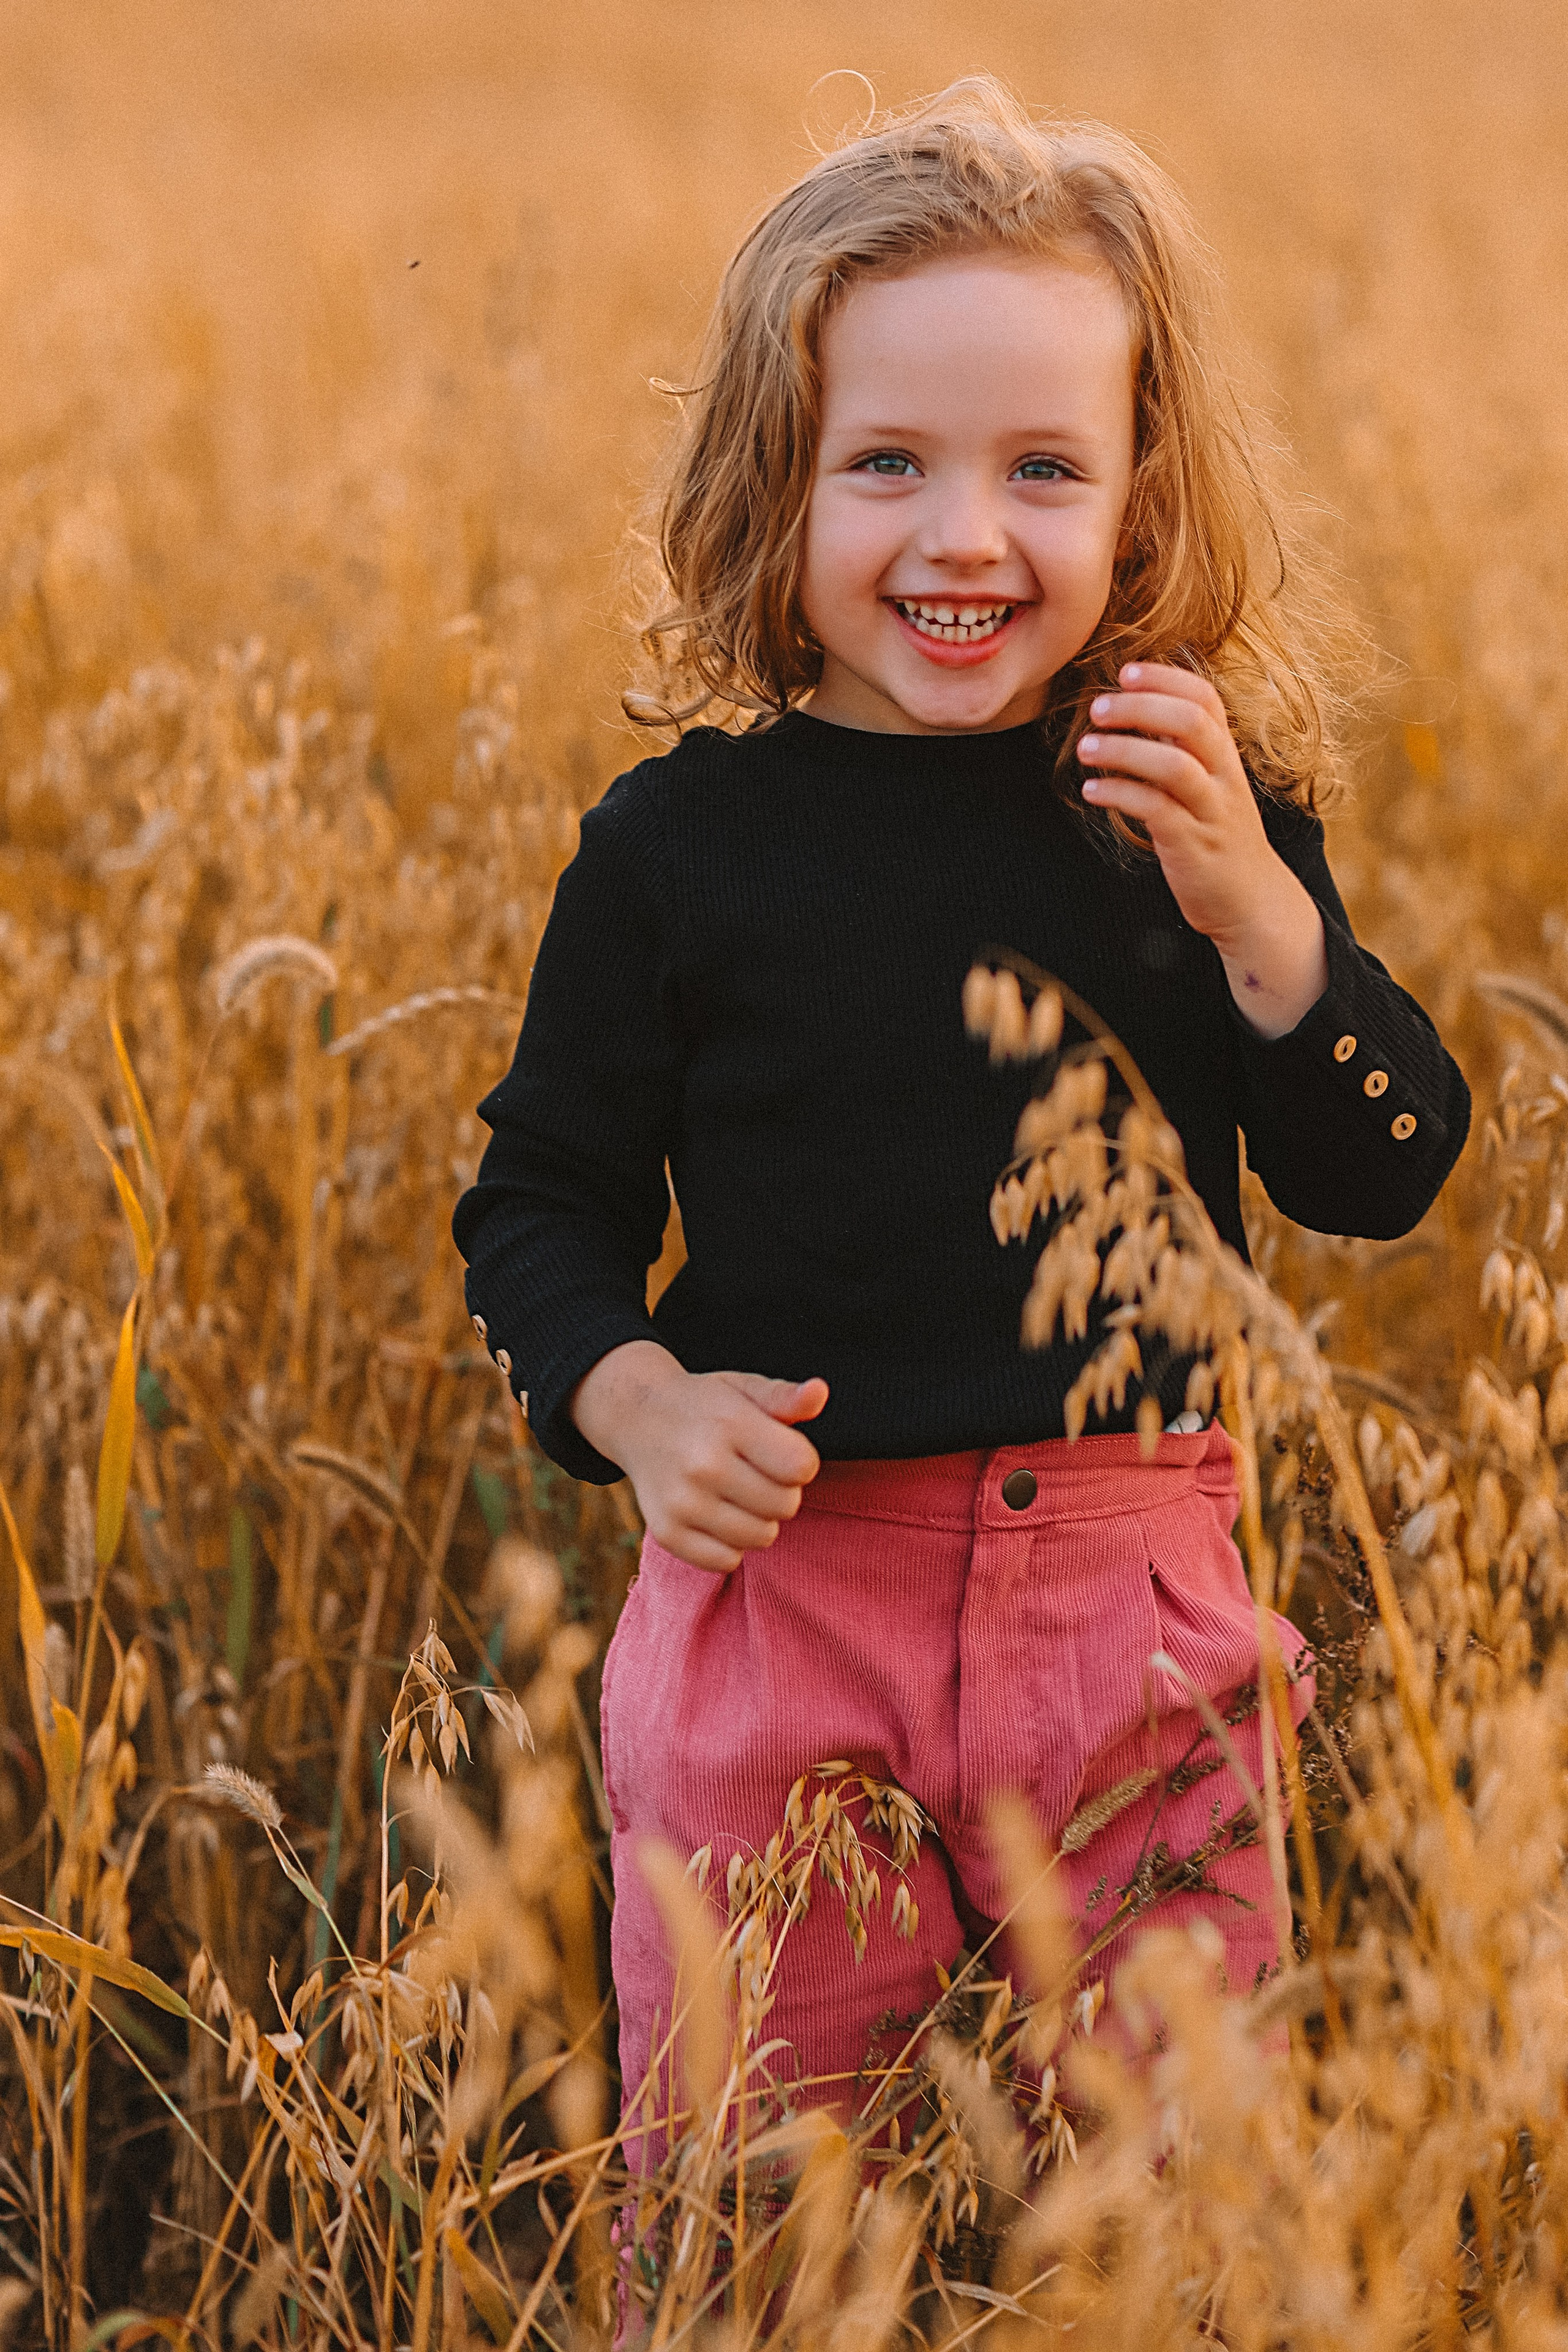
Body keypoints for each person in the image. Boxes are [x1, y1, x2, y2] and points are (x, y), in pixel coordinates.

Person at [453, 79, 1469, 2157]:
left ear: (1142, 500)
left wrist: (1263, 918)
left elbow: (1384, 1160)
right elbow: (539, 1203)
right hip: (784, 1610)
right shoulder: (678, 854)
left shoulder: (1183, 822)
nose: (966, 535)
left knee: (1181, 2207)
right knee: (746, 2197)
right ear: (777, 483)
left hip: (1135, 1608)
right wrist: (633, 1403)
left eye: (1044, 468)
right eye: (887, 464)